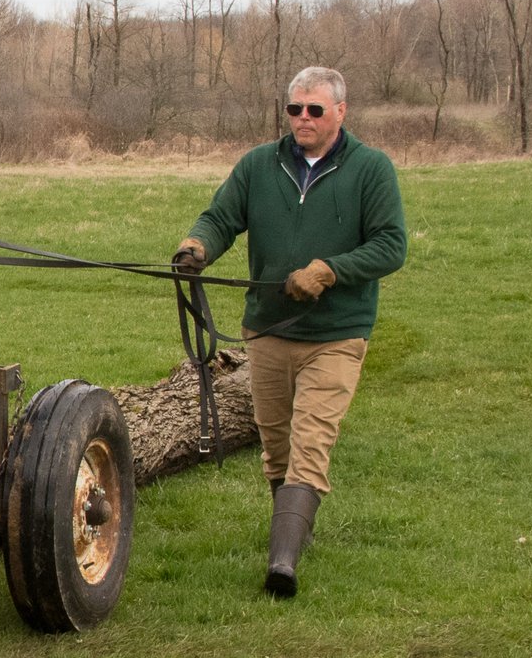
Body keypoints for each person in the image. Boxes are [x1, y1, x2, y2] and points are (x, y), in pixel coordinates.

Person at [173, 66, 406, 596]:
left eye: (314, 110)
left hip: (337, 334)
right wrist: (196, 249)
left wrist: (328, 272)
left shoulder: (372, 169)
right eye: (294, 109)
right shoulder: (259, 164)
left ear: (340, 112)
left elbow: (392, 246)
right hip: (268, 329)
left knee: (311, 442)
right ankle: (294, 532)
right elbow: (221, 217)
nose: (302, 118)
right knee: (276, 446)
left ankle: (282, 565)